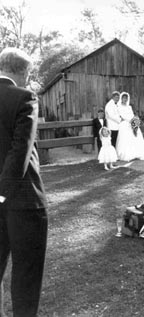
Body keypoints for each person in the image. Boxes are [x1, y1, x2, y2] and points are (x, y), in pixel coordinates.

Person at [0, 47, 48, 316]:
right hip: (23, 202)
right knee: (26, 277)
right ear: (20, 71)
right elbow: (20, 150)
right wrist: (2, 194)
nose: (28, 79)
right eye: (28, 73)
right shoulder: (24, 97)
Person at [116, 92, 144, 161]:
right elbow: (122, 115)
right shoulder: (119, 107)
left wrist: (134, 120)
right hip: (125, 123)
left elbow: (132, 114)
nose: (125, 99)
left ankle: (136, 154)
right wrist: (129, 120)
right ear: (121, 99)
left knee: (135, 136)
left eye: (126, 98)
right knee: (126, 138)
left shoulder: (129, 107)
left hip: (132, 122)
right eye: (124, 98)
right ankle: (126, 154)